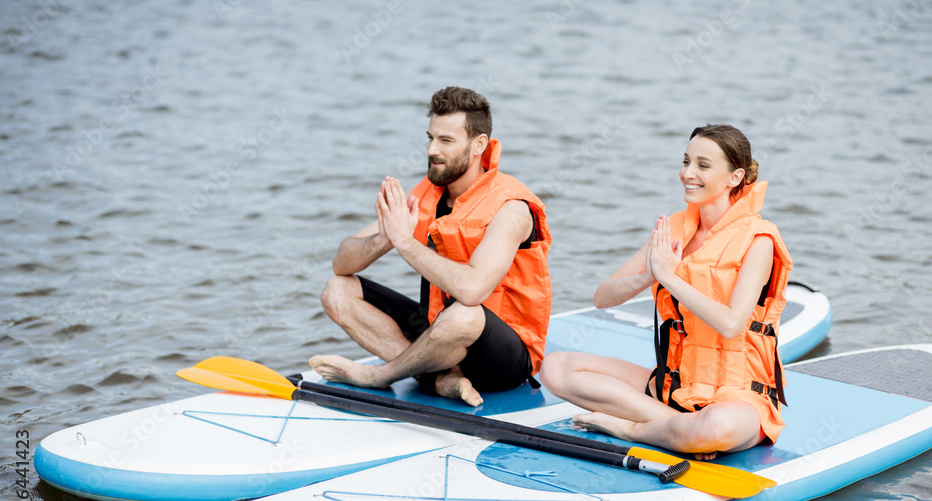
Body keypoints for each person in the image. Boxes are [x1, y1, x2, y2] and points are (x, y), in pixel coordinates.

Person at [539, 124, 791, 460]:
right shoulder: (673, 229)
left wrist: (669, 278)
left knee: (714, 428)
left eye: (703, 165)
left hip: (738, 397)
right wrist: (649, 275)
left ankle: (631, 427)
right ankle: (678, 429)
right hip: (673, 386)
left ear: (735, 177)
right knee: (555, 368)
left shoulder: (759, 241)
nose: (688, 173)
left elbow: (732, 324)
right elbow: (603, 297)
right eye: (686, 161)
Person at [309, 87, 552, 407]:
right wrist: (386, 237)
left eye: (446, 141)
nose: (432, 150)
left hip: (503, 358)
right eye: (430, 138)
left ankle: (382, 375)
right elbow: (342, 264)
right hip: (439, 335)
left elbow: (472, 292)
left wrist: (406, 242)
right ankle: (441, 380)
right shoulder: (427, 194)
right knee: (337, 290)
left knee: (463, 315)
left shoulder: (511, 208)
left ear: (479, 144)